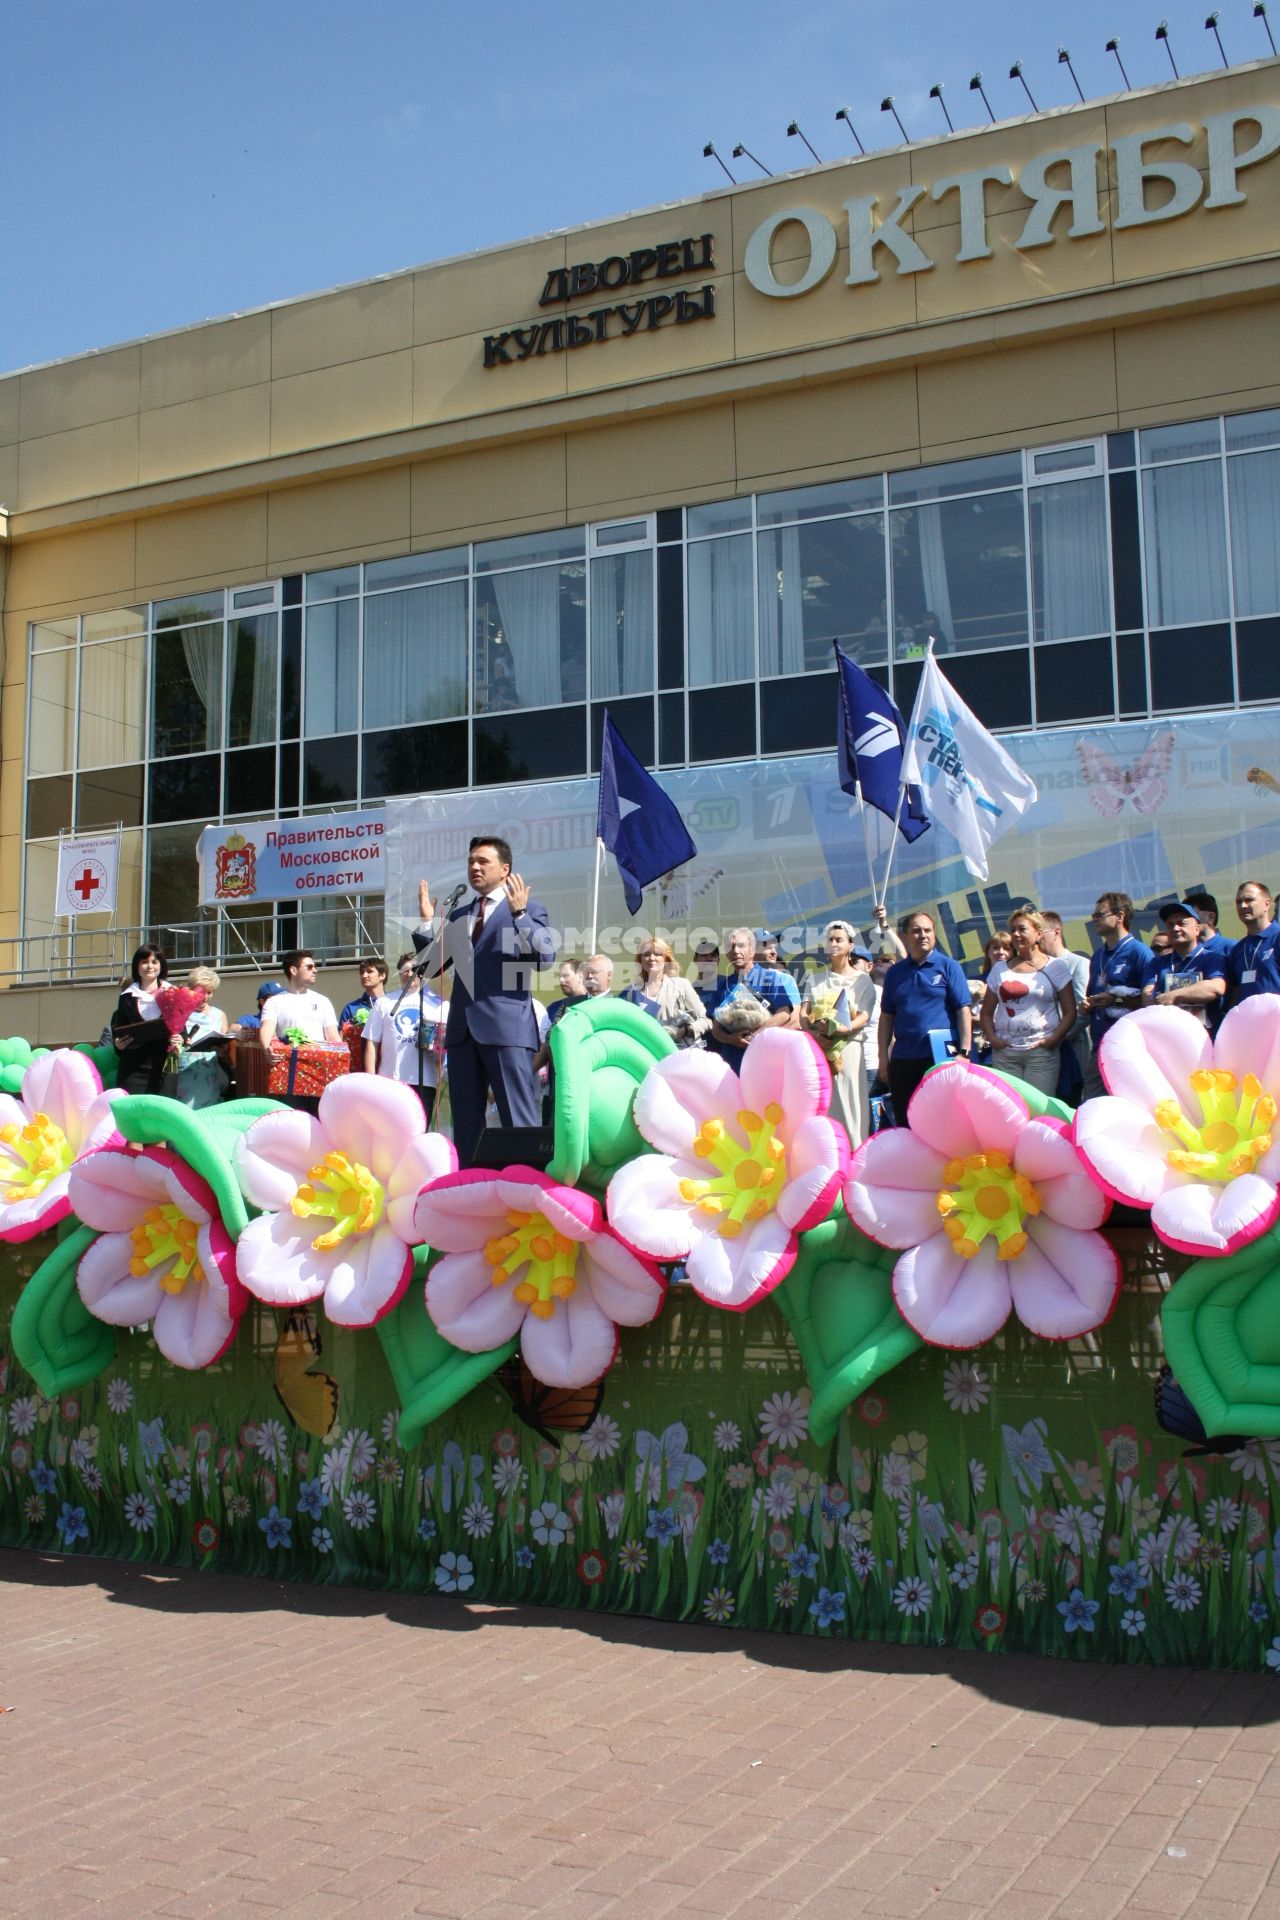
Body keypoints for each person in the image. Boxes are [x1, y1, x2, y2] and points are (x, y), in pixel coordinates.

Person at [412, 834, 555, 1166]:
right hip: (463, 1033)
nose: (474, 867)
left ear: (505, 869)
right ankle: (469, 1188)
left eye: (483, 861)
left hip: (507, 1030)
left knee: (517, 1118)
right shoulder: (461, 914)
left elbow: (544, 957)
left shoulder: (530, 909)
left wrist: (520, 915)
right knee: (466, 1124)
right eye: (470, 862)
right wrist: (425, 922)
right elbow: (431, 967)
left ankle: (528, 1185)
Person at [878, 912, 972, 1120]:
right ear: (904, 936)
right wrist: (883, 1057)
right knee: (907, 1118)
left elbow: (962, 1010)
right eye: (916, 931)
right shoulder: (895, 973)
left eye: (928, 930)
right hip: (903, 1058)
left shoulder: (949, 967)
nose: (923, 935)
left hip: (941, 1057)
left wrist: (964, 1052)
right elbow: (886, 1017)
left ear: (935, 934)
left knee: (944, 1118)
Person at [979, 909, 1076, 1096]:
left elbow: (1070, 1011)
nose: (1015, 934)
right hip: (1005, 1054)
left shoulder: (1056, 966)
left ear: (1038, 933)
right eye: (1013, 929)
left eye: (1022, 929)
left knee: (1039, 1107)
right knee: (1009, 1108)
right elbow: (987, 1012)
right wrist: (993, 1039)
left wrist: (1052, 1040)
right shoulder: (999, 969)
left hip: (1040, 1054)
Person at [801, 920, 877, 1147]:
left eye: (839, 939)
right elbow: (804, 1014)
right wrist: (814, 1033)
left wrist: (847, 1028)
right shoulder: (815, 978)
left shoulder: (862, 980)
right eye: (830, 940)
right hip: (821, 1048)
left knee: (853, 1105)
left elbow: (864, 1014)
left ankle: (855, 1155)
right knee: (827, 1103)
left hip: (850, 1047)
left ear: (850, 945)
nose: (834, 944)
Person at [1080, 893, 1153, 1100]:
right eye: (1093, 914)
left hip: (1127, 1048)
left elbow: (1149, 1003)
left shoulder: (1140, 953)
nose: (1094, 919)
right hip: (1099, 1046)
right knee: (1093, 1105)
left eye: (1100, 914)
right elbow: (1092, 993)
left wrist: (1116, 1000)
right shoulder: (1098, 955)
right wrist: (1088, 1005)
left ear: (1120, 916)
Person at [363, 954, 447, 1125]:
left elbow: (446, 1046)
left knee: (418, 1130)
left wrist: (437, 1043)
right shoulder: (384, 1002)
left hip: (424, 1081)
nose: (409, 974)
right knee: (388, 1130)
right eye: (405, 970)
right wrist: (371, 1079)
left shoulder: (439, 1004)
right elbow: (372, 1042)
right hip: (389, 1080)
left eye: (414, 970)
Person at [709, 927, 800, 1072]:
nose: (735, 951)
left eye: (741, 945)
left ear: (752, 950)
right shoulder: (722, 986)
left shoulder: (771, 978)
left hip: (766, 1058)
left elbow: (784, 1013)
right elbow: (716, 1028)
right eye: (730, 947)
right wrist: (730, 1039)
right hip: (733, 1063)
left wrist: (755, 1035)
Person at [1141, 902, 1227, 1029]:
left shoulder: (1211, 958)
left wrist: (1174, 995)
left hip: (1204, 1037)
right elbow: (1147, 994)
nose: (1175, 928)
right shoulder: (1157, 963)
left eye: (1182, 923)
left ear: (1196, 929)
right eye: (1170, 925)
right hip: (1169, 1034)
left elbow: (1216, 987)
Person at [621, 938, 711, 1047]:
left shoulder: (681, 985)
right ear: (640, 960)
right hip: (647, 1054)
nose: (651, 958)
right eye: (646, 955)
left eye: (658, 954)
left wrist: (684, 1031)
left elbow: (706, 1021)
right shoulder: (631, 993)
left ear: (666, 959)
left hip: (678, 1054)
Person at [1040, 910, 1091, 1096]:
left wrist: (1057, 1037)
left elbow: (1083, 1009)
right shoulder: (1036, 968)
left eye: (1041, 932)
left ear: (1056, 932)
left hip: (1072, 1049)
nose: (1037, 939)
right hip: (1044, 1054)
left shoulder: (1078, 964)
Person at [110, 944, 172, 1096]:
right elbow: (119, 1031)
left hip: (168, 1064)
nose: (150, 966)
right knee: (132, 1110)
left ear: (161, 965)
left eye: (154, 962)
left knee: (164, 1113)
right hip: (134, 1065)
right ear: (137, 966)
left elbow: (182, 1030)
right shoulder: (126, 997)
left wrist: (181, 1040)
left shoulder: (173, 993)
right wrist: (118, 1044)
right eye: (144, 962)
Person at [259, 950, 343, 1052]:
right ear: (293, 970)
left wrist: (341, 1058)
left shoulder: (323, 1001)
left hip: (318, 1064)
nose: (315, 970)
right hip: (289, 1064)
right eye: (309, 967)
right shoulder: (274, 1002)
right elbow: (267, 1029)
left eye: (315, 966)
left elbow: (333, 1037)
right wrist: (267, 1050)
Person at [1224, 880, 1280, 1007]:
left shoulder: (1277, 937)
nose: (1243, 906)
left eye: (1249, 900)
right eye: (1239, 902)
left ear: (1266, 904)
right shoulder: (1237, 949)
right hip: (1249, 1023)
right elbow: (1235, 991)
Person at [339, 959, 388, 1031]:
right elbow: (341, 1038)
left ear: (382, 975)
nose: (364, 976)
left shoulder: (393, 1004)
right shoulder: (350, 1008)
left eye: (369, 972)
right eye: (362, 972)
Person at [1185, 890, 1231, 957]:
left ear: (1211, 917)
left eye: (1192, 915)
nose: (1188, 921)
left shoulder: (1231, 948)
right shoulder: (1184, 952)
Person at [691, 939, 723, 1021]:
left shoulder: (728, 984)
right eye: (704, 955)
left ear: (718, 961)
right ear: (695, 960)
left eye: (713, 955)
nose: (709, 958)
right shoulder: (690, 990)